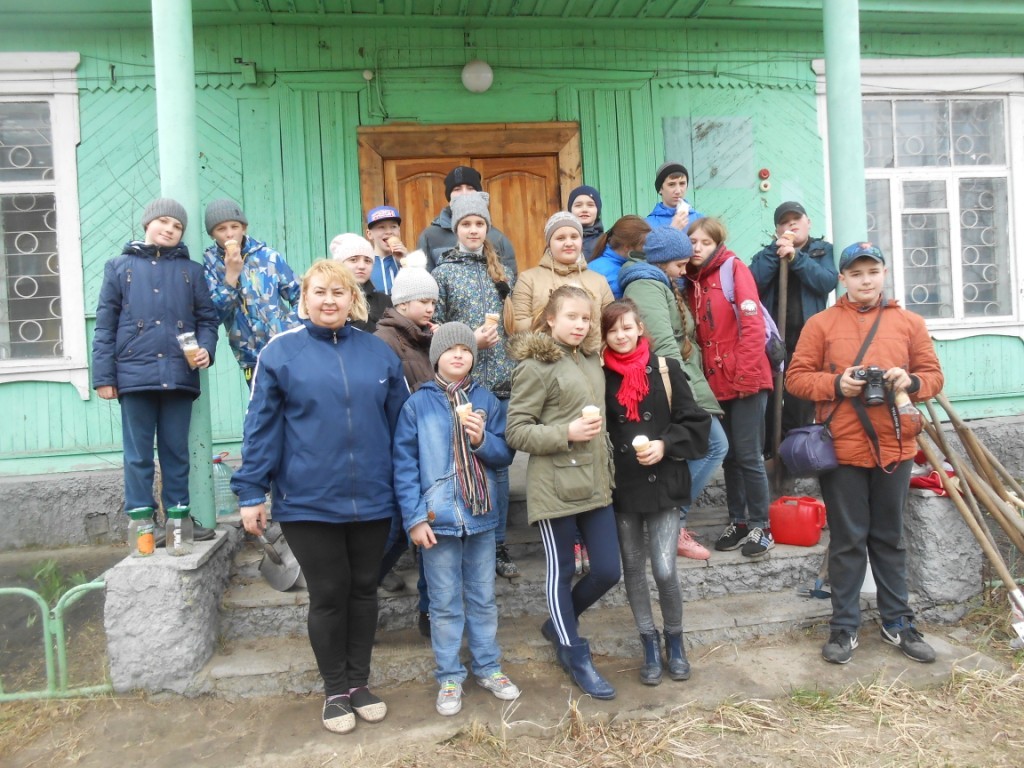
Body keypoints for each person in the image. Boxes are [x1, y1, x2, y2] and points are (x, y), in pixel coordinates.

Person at [231, 259, 409, 734]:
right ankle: (335, 690)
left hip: (373, 497)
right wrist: (251, 491)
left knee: (364, 590)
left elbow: (402, 427)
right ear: (305, 299)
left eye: (339, 292)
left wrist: (408, 490)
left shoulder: (378, 353)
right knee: (329, 594)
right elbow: (261, 428)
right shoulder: (280, 353)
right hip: (307, 501)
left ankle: (359, 684)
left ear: (353, 300)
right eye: (320, 292)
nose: (329, 301)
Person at [786, 242, 943, 666]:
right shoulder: (821, 324)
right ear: (842, 279)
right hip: (841, 448)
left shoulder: (909, 323)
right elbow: (796, 379)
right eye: (856, 274)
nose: (865, 280)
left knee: (890, 538)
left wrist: (909, 382)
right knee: (847, 540)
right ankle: (844, 626)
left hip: (896, 446)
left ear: (884, 273)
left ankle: (898, 622)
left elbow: (933, 377)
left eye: (872, 272)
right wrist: (838, 384)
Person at [393, 322, 520, 716]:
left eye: (466, 349)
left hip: (480, 515)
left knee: (482, 598)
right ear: (436, 357)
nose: (459, 354)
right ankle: (449, 675)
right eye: (451, 350)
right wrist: (415, 518)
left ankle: (488, 667)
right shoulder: (417, 404)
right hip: (438, 519)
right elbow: (404, 467)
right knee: (445, 602)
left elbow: (504, 456)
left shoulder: (486, 400)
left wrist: (482, 439)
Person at [506, 285, 621, 700]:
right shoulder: (535, 366)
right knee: (563, 570)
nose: (580, 325)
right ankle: (575, 654)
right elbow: (516, 430)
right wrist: (565, 432)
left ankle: (558, 623)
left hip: (595, 482)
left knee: (608, 570)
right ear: (550, 318)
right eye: (571, 316)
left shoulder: (590, 359)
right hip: (554, 486)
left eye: (586, 318)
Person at [92, 197, 219, 543]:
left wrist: (206, 349)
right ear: (147, 223)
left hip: (179, 375)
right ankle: (143, 526)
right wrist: (104, 377)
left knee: (176, 452)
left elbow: (207, 319)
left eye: (177, 226)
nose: (170, 229)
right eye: (163, 221)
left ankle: (178, 522)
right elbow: (105, 325)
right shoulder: (118, 267)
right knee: (138, 456)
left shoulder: (192, 271)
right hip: (133, 377)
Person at [601, 300, 711, 685]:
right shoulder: (600, 376)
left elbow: (696, 421)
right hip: (623, 486)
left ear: (639, 328)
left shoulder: (665, 369)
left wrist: (665, 444)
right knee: (633, 568)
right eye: (612, 330)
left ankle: (675, 640)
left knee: (664, 569)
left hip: (663, 482)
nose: (621, 336)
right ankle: (648, 641)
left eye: (627, 327)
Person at [617, 227, 727, 560]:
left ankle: (672, 522)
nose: (684, 270)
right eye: (679, 264)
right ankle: (671, 522)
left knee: (701, 448)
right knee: (714, 444)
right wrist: (685, 397)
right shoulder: (645, 285)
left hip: (683, 379)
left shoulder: (657, 281)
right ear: (662, 261)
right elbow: (663, 344)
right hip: (673, 383)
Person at [432, 190, 520, 579]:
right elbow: (434, 329)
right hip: (463, 385)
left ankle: (497, 544)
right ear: (456, 228)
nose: (473, 230)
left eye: (479, 224)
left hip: (502, 383)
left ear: (487, 228)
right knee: (462, 459)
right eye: (466, 224)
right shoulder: (443, 273)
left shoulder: (502, 273)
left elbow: (514, 325)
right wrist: (471, 340)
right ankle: (464, 534)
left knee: (499, 465)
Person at [684, 217, 775, 558]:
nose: (697, 248)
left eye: (705, 242)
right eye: (693, 242)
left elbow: (752, 327)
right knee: (731, 456)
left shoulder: (733, 269)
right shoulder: (692, 280)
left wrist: (745, 375)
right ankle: (738, 521)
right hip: (717, 382)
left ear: (717, 244)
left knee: (749, 455)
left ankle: (762, 526)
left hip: (747, 379)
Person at [750, 201, 838, 452]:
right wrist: (776, 253)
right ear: (777, 230)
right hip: (773, 342)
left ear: (808, 222)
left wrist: (797, 258)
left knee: (800, 403)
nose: (791, 224)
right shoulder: (767, 254)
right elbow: (752, 282)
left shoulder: (823, 251)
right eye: (784, 222)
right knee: (769, 402)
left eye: (796, 219)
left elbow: (826, 282)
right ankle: (771, 454)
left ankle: (792, 456)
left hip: (807, 341)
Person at [374, 263, 438, 605]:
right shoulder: (384, 341)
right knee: (396, 528)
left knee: (408, 530)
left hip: (426, 444)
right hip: (400, 447)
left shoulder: (423, 337)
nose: (430, 308)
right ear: (402, 304)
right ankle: (359, 588)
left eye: (433, 302)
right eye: (424, 301)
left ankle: (428, 611)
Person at [202, 198, 301, 387]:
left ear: (244, 228)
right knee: (264, 404)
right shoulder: (210, 265)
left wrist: (290, 326)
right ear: (212, 234)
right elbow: (213, 314)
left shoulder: (268, 256)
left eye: (235, 226)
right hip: (250, 356)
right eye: (221, 229)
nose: (230, 233)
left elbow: (301, 296)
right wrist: (231, 275)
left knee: (298, 401)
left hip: (286, 349)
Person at [510, 211, 614, 351]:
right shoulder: (528, 279)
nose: (569, 243)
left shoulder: (599, 281)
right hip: (545, 359)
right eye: (560, 238)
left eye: (574, 237)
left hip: (590, 358)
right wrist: (552, 316)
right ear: (549, 243)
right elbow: (518, 324)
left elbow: (611, 323)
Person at [417, 165, 517, 279]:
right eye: (457, 189)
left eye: (470, 188)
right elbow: (422, 280)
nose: (464, 193)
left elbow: (510, 280)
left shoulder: (498, 238)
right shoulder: (430, 236)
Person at [328, 233, 392, 333]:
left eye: (367, 261)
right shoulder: (328, 301)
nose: (362, 266)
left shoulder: (384, 301)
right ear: (339, 264)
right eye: (353, 260)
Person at [587, 215, 651, 299]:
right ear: (627, 247)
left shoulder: (599, 264)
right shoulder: (606, 274)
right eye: (645, 245)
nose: (649, 248)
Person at [646, 162, 705, 232]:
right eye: (671, 184)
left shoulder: (700, 220)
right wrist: (673, 230)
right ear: (660, 189)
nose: (678, 191)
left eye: (682, 183)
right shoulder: (647, 224)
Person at [364, 205, 407, 296]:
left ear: (399, 231)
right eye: (381, 227)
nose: (389, 231)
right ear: (369, 234)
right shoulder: (364, 265)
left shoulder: (407, 260)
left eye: (393, 226)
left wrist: (405, 261)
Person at [567, 185, 604, 261]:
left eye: (590, 205)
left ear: (598, 210)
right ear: (570, 210)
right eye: (578, 205)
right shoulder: (560, 239)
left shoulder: (605, 242)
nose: (584, 210)